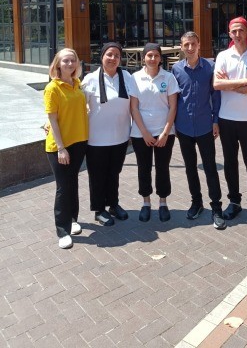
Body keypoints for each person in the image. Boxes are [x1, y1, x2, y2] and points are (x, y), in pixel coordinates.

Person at [213, 17, 247, 225]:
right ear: (229, 34)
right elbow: (217, 84)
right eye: (234, 31)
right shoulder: (223, 56)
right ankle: (234, 202)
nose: (237, 34)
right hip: (227, 119)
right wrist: (246, 81)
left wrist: (230, 84)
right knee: (230, 163)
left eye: (241, 30)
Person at [172, 31, 226, 230]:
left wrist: (216, 120)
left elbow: (216, 96)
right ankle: (196, 202)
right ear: (181, 46)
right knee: (190, 167)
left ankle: (216, 207)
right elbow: (173, 99)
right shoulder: (176, 69)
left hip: (205, 126)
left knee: (210, 167)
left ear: (199, 45)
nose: (190, 48)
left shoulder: (210, 67)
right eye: (186, 44)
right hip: (184, 127)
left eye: (193, 44)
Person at [82, 42, 132, 227]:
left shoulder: (126, 77)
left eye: (117, 55)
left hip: (120, 136)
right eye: (109, 54)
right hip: (96, 139)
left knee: (114, 173)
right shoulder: (90, 79)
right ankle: (99, 209)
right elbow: (77, 106)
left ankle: (113, 204)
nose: (113, 58)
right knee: (97, 175)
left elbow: (135, 103)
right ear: (102, 56)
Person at [129, 43, 179, 222]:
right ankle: (146, 202)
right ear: (144, 58)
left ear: (160, 58)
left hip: (164, 132)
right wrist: (144, 132)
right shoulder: (135, 78)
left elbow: (173, 106)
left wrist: (165, 133)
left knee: (162, 167)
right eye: (149, 55)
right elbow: (134, 108)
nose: (152, 59)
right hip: (140, 133)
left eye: (156, 55)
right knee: (143, 168)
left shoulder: (169, 77)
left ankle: (163, 202)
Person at [44, 48, 88, 249]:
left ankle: (72, 219)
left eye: (73, 60)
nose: (70, 64)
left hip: (79, 141)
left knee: (73, 182)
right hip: (60, 146)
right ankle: (62, 231)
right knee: (63, 187)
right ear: (58, 64)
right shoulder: (52, 88)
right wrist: (61, 148)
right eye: (66, 61)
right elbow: (52, 118)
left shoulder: (77, 84)